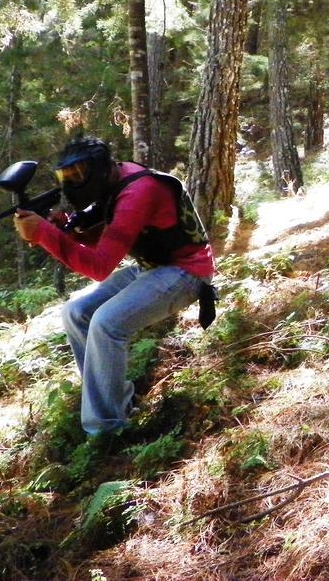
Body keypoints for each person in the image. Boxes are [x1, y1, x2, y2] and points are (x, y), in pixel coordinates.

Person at [13, 135, 216, 435]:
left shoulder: (138, 191)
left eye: (78, 175)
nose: (72, 183)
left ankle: (106, 429)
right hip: (152, 267)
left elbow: (99, 266)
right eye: (66, 176)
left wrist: (44, 234)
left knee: (107, 323)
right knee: (76, 312)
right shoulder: (117, 180)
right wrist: (63, 229)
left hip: (186, 272)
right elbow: (106, 234)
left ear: (98, 170)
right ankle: (112, 401)